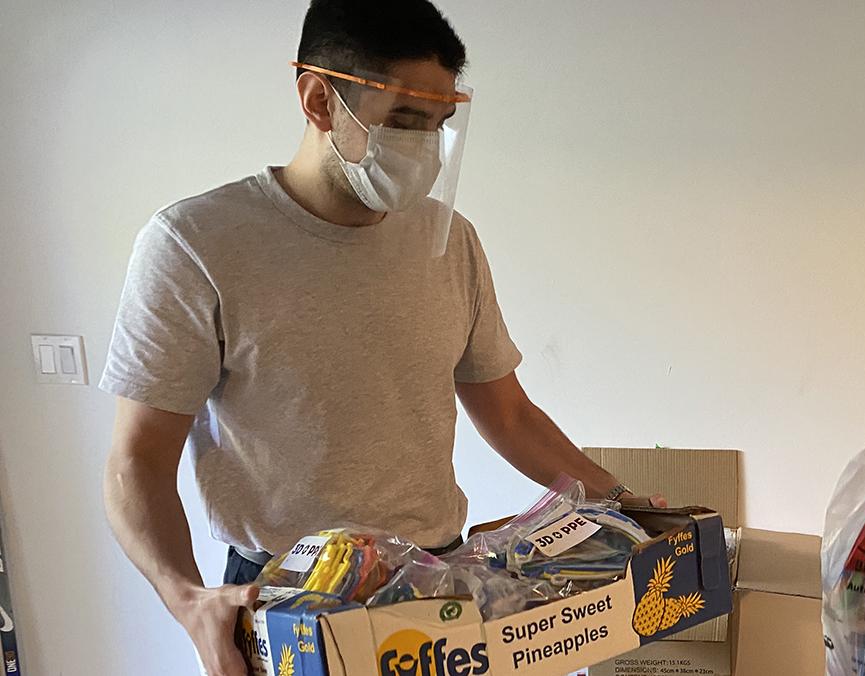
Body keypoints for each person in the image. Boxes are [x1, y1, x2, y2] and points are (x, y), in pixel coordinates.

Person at [98, 2, 658, 675]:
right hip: (286, 599)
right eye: (405, 121)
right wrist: (187, 600)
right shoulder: (196, 245)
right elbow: (139, 462)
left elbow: (508, 414)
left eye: (440, 123)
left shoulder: (449, 241)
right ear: (318, 99)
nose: (425, 146)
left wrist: (620, 503)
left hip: (439, 581)